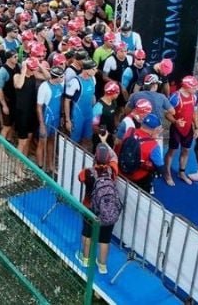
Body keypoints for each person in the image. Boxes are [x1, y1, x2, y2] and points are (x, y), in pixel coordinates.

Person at [75, 144, 121, 276]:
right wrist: (105, 141)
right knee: (105, 239)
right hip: (108, 209)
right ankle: (102, 266)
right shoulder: (112, 170)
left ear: (95, 157)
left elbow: (80, 177)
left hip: (90, 208)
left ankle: (86, 259)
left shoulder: (88, 173)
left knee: (87, 233)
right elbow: (114, 157)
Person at [118, 112, 165, 194]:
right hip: (139, 177)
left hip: (121, 171)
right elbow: (160, 167)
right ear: (155, 129)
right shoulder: (153, 146)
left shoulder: (130, 131)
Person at [166, 75, 198, 186]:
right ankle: (167, 174)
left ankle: (182, 172)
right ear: (186, 86)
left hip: (188, 129)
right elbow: (166, 114)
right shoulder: (175, 97)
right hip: (176, 129)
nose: (197, 89)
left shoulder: (193, 97)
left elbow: (194, 112)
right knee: (172, 151)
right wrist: (175, 122)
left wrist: (196, 127)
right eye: (194, 87)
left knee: (186, 151)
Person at [13, 57, 41, 170]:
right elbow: (19, 85)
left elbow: (48, 77)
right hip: (21, 113)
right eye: (32, 69)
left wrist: (39, 65)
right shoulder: (17, 76)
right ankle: (17, 167)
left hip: (31, 112)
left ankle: (23, 162)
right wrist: (24, 69)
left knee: (28, 139)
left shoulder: (34, 75)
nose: (34, 71)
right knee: (22, 142)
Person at [36, 66, 66, 172]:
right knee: (42, 143)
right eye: (62, 76)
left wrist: (62, 115)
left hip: (56, 118)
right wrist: (42, 125)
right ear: (56, 77)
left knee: (52, 142)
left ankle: (51, 166)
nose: (64, 78)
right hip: (47, 118)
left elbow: (61, 100)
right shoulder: (44, 87)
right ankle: (40, 168)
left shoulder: (60, 84)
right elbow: (39, 107)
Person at [65, 58, 98, 150]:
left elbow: (92, 97)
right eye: (94, 69)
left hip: (89, 114)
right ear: (87, 70)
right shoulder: (75, 82)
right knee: (74, 141)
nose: (96, 71)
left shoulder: (93, 79)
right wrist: (67, 120)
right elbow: (67, 101)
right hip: (77, 116)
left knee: (87, 139)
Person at [0, 50, 19, 142]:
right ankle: (1, 146)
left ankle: (9, 139)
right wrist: (4, 105)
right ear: (9, 58)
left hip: (15, 100)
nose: (17, 58)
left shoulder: (18, 66)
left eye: (17, 56)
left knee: (13, 123)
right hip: (7, 100)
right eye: (15, 57)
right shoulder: (2, 71)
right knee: (6, 125)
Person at [91, 81, 121, 151]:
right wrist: (104, 133)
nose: (118, 94)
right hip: (100, 138)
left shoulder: (113, 102)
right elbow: (93, 126)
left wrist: (115, 130)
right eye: (117, 93)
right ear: (112, 93)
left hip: (110, 136)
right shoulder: (98, 107)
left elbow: (113, 116)